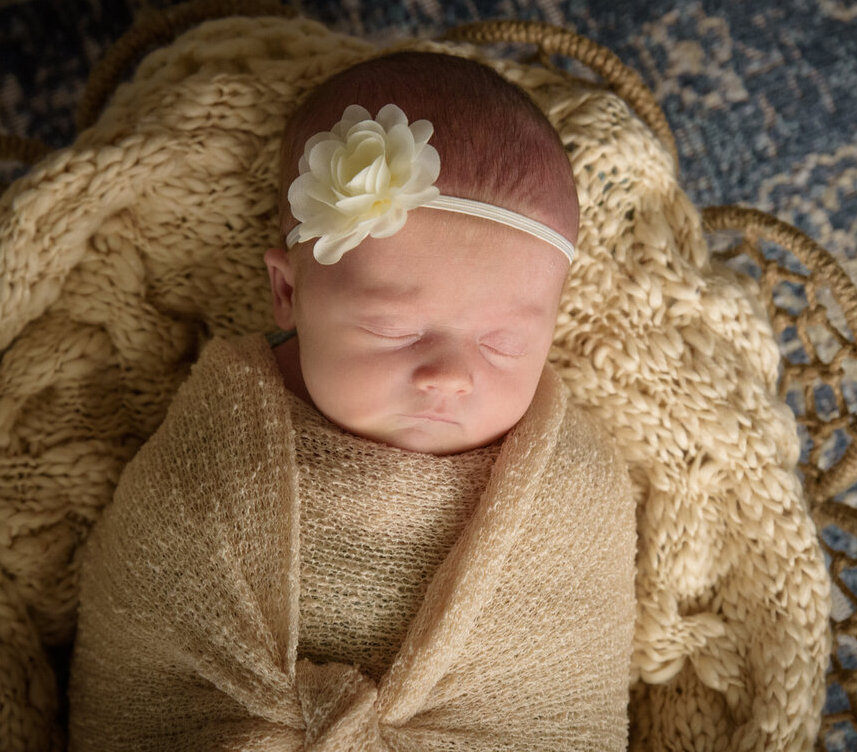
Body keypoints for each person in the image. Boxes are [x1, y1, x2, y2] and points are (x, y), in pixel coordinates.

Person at [68, 51, 638, 751]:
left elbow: (557, 697)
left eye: (504, 343)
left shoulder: (575, 496)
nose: (449, 376)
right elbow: (148, 638)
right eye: (391, 328)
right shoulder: (212, 453)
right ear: (288, 291)